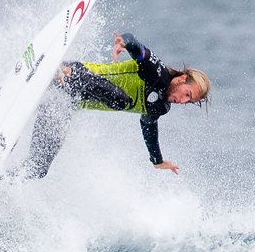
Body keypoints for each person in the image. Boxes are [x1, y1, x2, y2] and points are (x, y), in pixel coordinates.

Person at [23, 31, 211, 179]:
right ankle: (62, 71)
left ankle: (1, 176)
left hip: (63, 102)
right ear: (183, 78)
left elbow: (148, 126)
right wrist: (124, 42)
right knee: (122, 101)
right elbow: (134, 43)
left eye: (189, 101)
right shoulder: (156, 71)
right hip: (74, 75)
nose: (183, 100)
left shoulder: (160, 107)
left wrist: (157, 160)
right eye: (188, 94)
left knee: (38, 168)